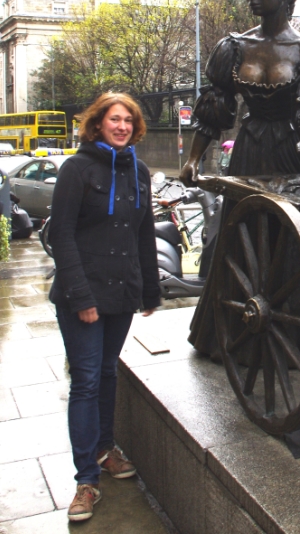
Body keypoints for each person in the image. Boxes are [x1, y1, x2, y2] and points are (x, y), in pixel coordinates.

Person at [180, 0, 300, 358]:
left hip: (293, 157)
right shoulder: (234, 47)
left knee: (297, 242)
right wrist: (192, 159)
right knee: (241, 238)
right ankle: (237, 334)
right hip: (249, 153)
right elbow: (214, 109)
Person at [49, 92, 161, 522]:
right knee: (87, 380)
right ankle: (85, 480)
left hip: (121, 293)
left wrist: (149, 291)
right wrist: (82, 297)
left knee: (109, 372)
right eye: (114, 120)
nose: (122, 127)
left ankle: (104, 449)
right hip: (84, 293)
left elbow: (143, 235)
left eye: (128, 121)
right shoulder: (77, 169)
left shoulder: (140, 171)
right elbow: (60, 235)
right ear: (97, 125)